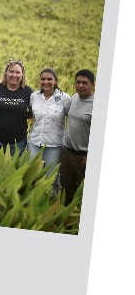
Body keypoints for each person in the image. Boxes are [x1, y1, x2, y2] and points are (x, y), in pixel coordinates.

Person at [28, 68, 71, 194]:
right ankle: (34, 200)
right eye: (43, 79)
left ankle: (51, 204)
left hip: (54, 145)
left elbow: (72, 118)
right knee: (33, 175)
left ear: (55, 81)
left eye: (49, 79)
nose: (45, 82)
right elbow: (31, 115)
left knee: (52, 177)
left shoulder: (65, 98)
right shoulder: (34, 96)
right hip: (34, 143)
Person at [60, 69, 95, 203]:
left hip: (82, 158)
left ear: (93, 84)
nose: (81, 85)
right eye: (78, 82)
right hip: (67, 153)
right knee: (66, 191)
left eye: (85, 83)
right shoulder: (74, 98)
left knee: (83, 194)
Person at [0, 60, 33, 155]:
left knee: (15, 168)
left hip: (18, 141)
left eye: (18, 72)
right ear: (6, 73)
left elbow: (32, 113)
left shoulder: (28, 91)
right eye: (11, 71)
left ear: (22, 75)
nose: (14, 75)